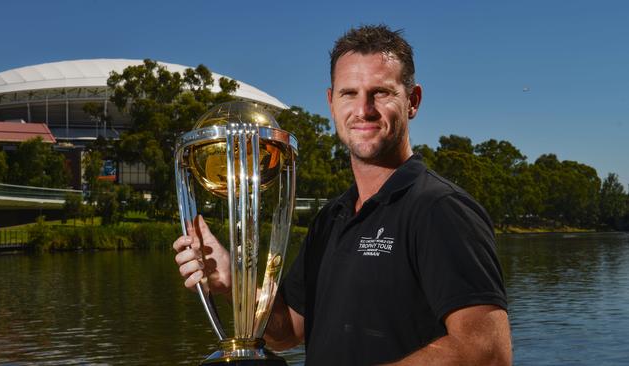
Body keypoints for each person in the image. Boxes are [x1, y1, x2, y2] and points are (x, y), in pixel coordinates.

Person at [174, 24, 512, 365]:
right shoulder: (332, 218)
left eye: (381, 92)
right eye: (349, 93)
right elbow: (286, 331)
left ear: (413, 101)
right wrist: (235, 281)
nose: (363, 109)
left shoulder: (439, 208)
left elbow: (488, 352)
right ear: (331, 102)